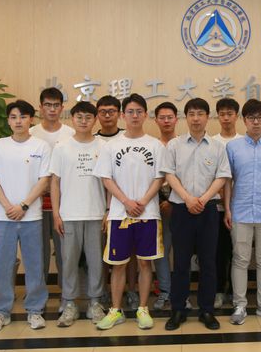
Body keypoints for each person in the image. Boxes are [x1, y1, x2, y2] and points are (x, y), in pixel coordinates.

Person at [94, 93, 165, 330]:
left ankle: (143, 308)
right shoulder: (111, 146)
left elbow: (159, 178)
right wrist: (126, 201)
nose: (135, 116)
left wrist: (142, 201)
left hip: (148, 213)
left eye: (139, 112)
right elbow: (106, 178)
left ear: (146, 115)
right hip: (119, 214)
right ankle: (115, 310)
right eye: (130, 112)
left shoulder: (155, 145)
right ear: (123, 115)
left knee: (145, 264)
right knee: (118, 264)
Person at [161, 98, 231, 331]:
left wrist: (203, 198)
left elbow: (222, 176)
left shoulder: (218, 147)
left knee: (208, 262)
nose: (196, 118)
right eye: (191, 114)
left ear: (207, 117)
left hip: (208, 209)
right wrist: (188, 198)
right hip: (181, 209)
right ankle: (178, 309)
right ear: (186, 117)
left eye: (200, 114)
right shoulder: (175, 145)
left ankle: (206, 310)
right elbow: (169, 174)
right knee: (181, 262)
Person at [0, 100, 51, 333]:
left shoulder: (41, 146)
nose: (18, 121)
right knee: (3, 265)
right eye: (13, 117)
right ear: (8, 121)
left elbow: (44, 180)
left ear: (31, 119)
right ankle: (0, 312)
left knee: (35, 265)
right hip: (4, 218)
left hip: (32, 216)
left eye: (23, 116)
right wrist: (7, 206)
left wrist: (23, 205)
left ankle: (35, 310)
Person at [50, 102, 107, 327]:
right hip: (69, 214)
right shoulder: (62, 147)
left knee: (96, 261)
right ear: (72, 119)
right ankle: (69, 304)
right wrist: (56, 213)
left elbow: (109, 181)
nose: (84, 121)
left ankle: (95, 302)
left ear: (95, 120)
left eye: (88, 117)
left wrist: (108, 211)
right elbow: (55, 183)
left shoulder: (103, 146)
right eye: (79, 117)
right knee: (69, 261)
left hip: (96, 213)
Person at [224, 99, 261, 325]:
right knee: (240, 259)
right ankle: (240, 305)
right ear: (244, 120)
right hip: (240, 211)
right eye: (251, 118)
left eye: (260, 117)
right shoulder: (233, 147)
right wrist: (227, 209)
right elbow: (227, 181)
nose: (256, 122)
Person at [30, 88, 75, 294]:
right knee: (39, 252)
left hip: (64, 202)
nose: (52, 109)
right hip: (36, 202)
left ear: (62, 108)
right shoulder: (31, 133)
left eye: (56, 105)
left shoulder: (70, 134)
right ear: (40, 108)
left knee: (65, 252)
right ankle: (37, 296)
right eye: (47, 105)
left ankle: (67, 295)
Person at [95, 95, 138, 309]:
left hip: (124, 206)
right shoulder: (94, 141)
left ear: (119, 114)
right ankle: (105, 291)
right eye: (103, 112)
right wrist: (105, 208)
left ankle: (131, 291)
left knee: (130, 252)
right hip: (98, 206)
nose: (107, 116)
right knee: (105, 252)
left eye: (111, 111)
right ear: (97, 115)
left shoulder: (127, 138)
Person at [213, 97, 243, 309]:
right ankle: (218, 290)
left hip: (239, 208)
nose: (226, 118)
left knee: (238, 252)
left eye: (229, 114)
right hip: (216, 207)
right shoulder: (212, 142)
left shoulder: (243, 142)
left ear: (237, 116)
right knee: (218, 252)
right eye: (222, 114)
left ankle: (235, 290)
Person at [152, 101, 179, 311]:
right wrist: (161, 200)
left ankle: (180, 291)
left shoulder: (182, 144)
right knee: (160, 250)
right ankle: (165, 291)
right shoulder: (152, 146)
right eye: (162, 117)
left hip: (179, 205)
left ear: (176, 119)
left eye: (170, 117)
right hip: (155, 205)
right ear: (156, 120)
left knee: (181, 250)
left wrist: (171, 200)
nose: (166, 121)